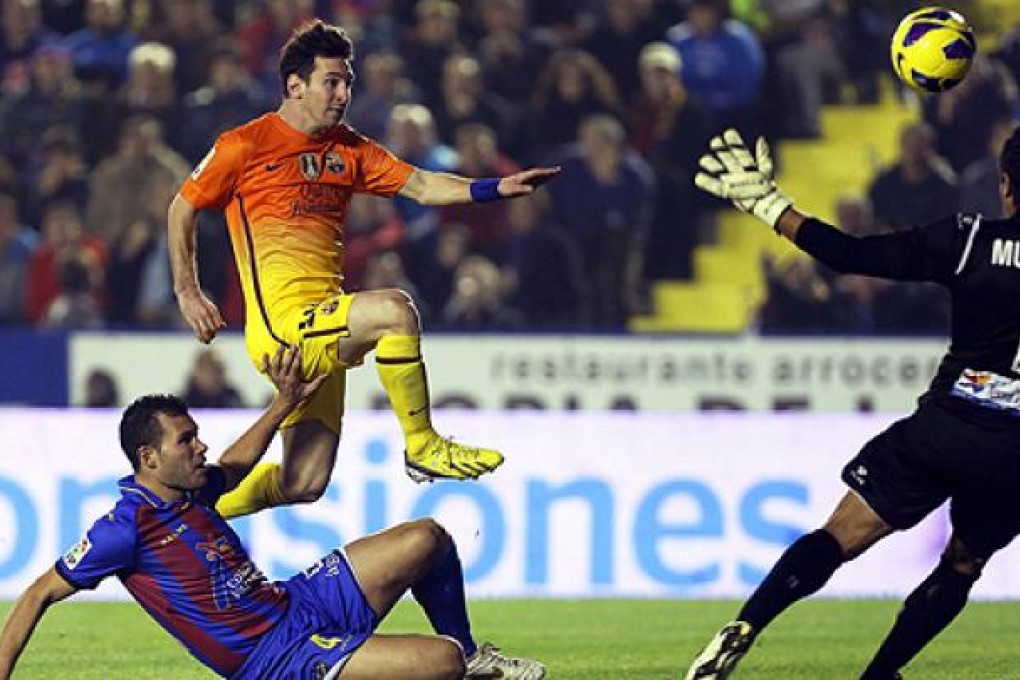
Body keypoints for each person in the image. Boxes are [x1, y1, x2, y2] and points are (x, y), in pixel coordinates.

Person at [167, 19, 559, 520]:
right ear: (295, 85)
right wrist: (188, 291)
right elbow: (182, 207)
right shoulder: (244, 145)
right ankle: (422, 445)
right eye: (331, 81)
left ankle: (187, 512)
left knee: (304, 482)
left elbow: (421, 186)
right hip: (285, 331)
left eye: (347, 82)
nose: (343, 93)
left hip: (324, 326)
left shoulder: (348, 149)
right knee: (395, 311)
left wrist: (495, 188)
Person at [686, 126, 1020, 680]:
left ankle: (747, 624)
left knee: (841, 534)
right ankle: (879, 675)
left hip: (943, 430)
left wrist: (769, 206)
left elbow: (849, 255)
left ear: (1006, 186)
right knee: (963, 563)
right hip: (1013, 457)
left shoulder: (968, 240)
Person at [0, 345, 546, 680]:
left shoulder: (190, 492)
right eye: (186, 440)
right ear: (149, 458)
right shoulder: (124, 530)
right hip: (274, 660)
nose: (201, 447)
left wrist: (284, 403)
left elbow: (236, 467)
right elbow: (37, 593)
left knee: (427, 537)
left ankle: (474, 656)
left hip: (297, 602)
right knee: (440, 663)